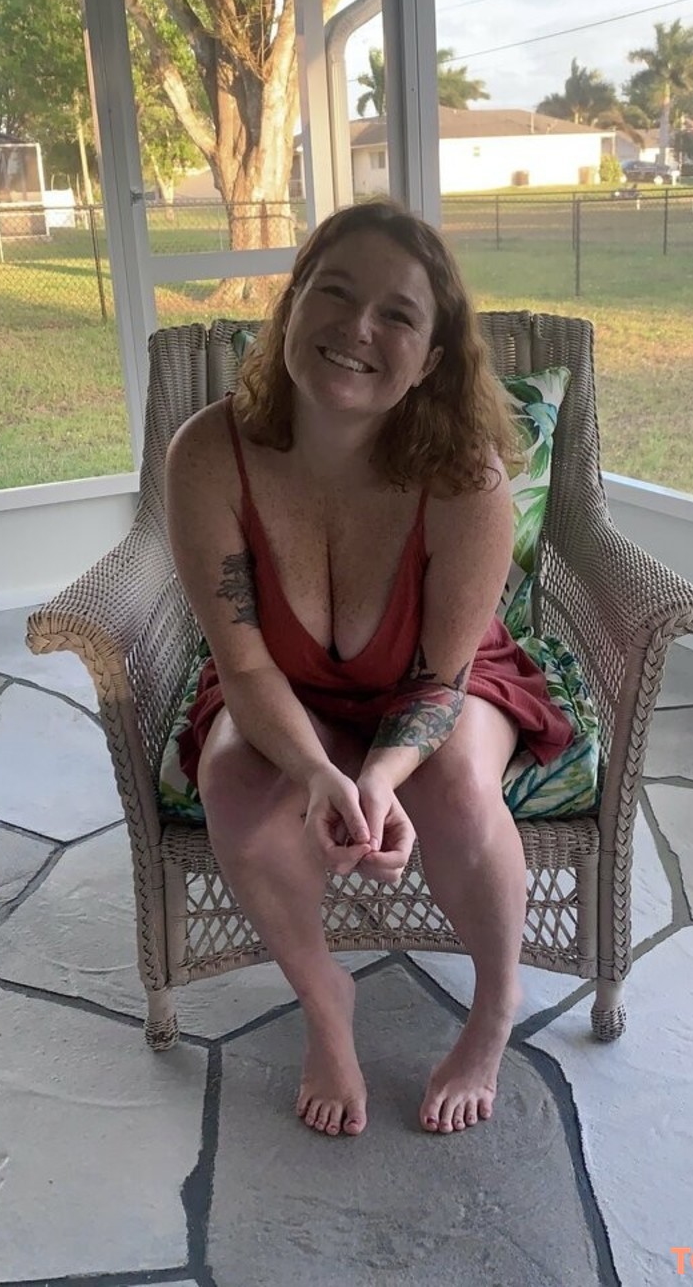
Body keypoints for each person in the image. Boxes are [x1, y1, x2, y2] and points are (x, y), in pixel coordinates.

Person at [166, 200, 574, 1139]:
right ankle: (325, 1002)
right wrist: (318, 773)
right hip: (279, 682)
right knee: (231, 781)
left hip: (434, 679)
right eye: (335, 292)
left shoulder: (466, 478)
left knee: (460, 785)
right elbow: (243, 662)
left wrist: (382, 775)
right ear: (291, 304)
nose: (357, 328)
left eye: (397, 314)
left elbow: (441, 680)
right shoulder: (207, 455)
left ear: (430, 359)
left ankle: (495, 1005)